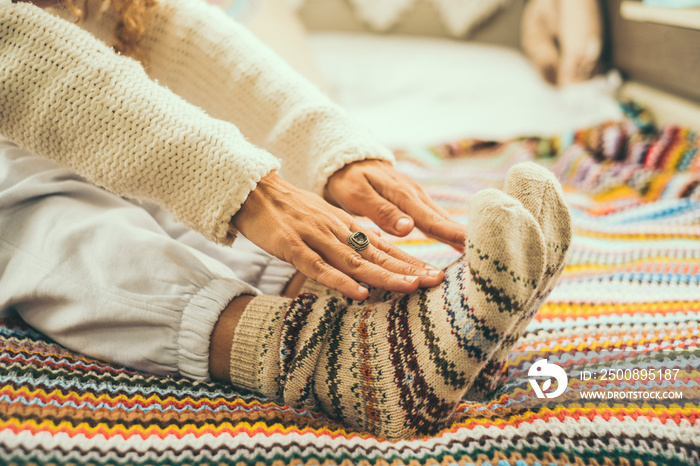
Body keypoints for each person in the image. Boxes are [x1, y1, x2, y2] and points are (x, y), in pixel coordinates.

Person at [0, 0, 571, 438]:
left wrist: (332, 151)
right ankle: (339, 364)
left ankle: (398, 324)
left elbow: (169, 29)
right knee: (44, 211)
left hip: (77, 138)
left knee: (169, 199)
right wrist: (237, 184)